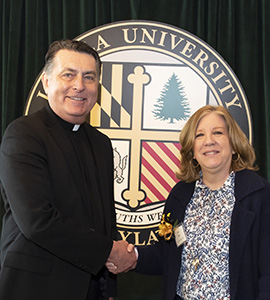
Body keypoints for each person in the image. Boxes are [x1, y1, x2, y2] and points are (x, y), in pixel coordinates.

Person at [0, 39, 136, 300]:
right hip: (36, 289)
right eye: (69, 75)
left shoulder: (101, 144)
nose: (79, 86)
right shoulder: (24, 134)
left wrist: (109, 287)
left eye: (89, 77)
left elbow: (105, 221)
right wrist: (109, 252)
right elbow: (37, 221)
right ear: (47, 82)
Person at [106, 105, 270, 300]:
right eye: (199, 135)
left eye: (217, 132)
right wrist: (132, 257)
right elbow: (165, 252)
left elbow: (267, 271)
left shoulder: (259, 195)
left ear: (234, 145)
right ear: (192, 150)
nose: (209, 141)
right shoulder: (179, 197)